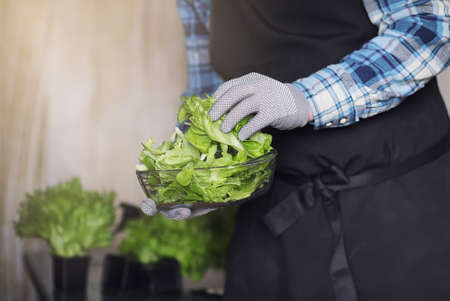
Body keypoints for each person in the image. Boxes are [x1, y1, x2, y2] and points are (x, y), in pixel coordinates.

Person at [142, 0, 450, 300]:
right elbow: (209, 82)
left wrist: (305, 100)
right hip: (274, 212)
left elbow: (427, 26)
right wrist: (204, 171)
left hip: (395, 206)